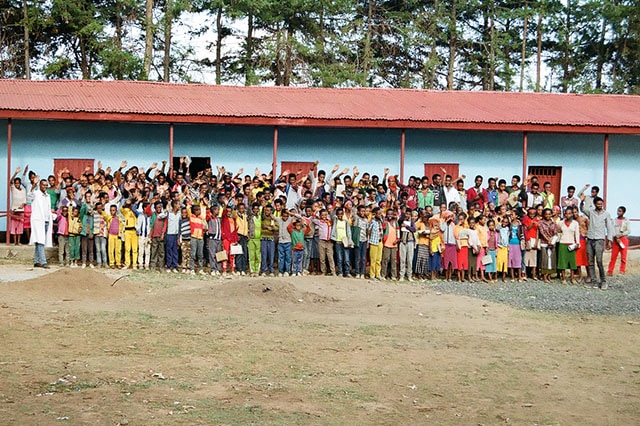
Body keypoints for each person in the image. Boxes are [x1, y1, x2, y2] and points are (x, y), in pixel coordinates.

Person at [580, 195, 615, 290]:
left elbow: (609, 227)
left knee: (599, 261)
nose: (600, 205)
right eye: (598, 204)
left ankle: (603, 281)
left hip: (600, 239)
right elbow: (583, 209)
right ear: (595, 204)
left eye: (601, 204)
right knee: (590, 261)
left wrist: (609, 240)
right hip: (590, 239)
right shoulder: (591, 213)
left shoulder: (606, 214)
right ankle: (593, 281)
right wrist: (582, 201)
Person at [29, 179, 53, 268]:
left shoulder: (48, 196)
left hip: (46, 220)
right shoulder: (36, 194)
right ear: (40, 185)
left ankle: (36, 261)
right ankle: (43, 262)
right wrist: (33, 185)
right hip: (38, 221)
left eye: (46, 185)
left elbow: (47, 208)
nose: (45, 187)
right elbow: (29, 195)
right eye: (43, 185)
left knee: (39, 241)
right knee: (41, 241)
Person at [557, 207, 580, 284]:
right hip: (562, 243)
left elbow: (577, 234)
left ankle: (572, 278)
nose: (567, 215)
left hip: (571, 244)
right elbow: (558, 233)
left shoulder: (575, 223)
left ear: (572, 214)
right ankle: (563, 278)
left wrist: (577, 243)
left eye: (569, 213)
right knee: (562, 262)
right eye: (566, 213)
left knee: (572, 262)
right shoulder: (560, 223)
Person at [608, 206, 630, 276]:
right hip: (615, 240)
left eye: (620, 211)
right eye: (618, 211)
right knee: (613, 256)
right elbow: (611, 230)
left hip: (623, 239)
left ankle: (622, 270)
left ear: (623, 212)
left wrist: (621, 235)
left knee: (623, 257)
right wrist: (614, 238)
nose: (618, 212)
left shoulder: (626, 221)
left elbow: (628, 230)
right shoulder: (614, 220)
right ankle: (610, 271)